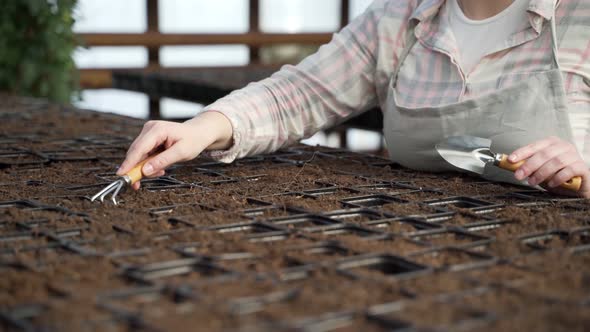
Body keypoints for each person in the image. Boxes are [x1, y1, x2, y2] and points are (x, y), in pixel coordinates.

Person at [116, 0, 590, 198]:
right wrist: (201, 129)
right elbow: (297, 95)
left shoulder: (578, 17)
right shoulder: (398, 18)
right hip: (417, 256)